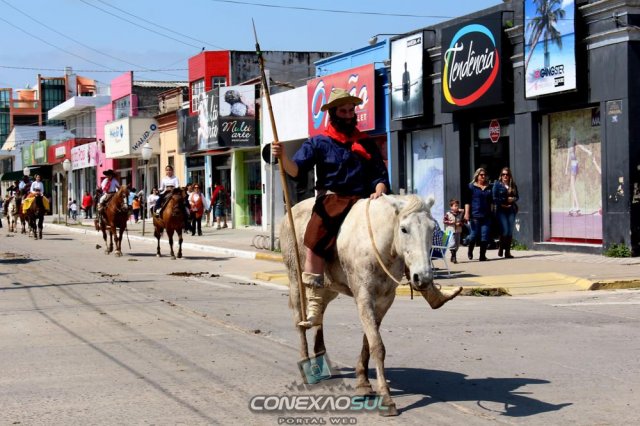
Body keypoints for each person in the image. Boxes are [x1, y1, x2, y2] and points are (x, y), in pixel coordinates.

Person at [272, 87, 390, 328]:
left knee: (399, 229)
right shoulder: (319, 142)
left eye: (351, 110)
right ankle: (314, 305)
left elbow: (379, 175)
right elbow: (296, 170)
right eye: (343, 111)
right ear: (333, 114)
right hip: (332, 200)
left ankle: (422, 282)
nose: (348, 115)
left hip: (364, 201)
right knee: (314, 241)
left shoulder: (365, 141)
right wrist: (282, 157)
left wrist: (380, 189)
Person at [565, 126, 601, 216]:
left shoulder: (574, 141)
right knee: (572, 186)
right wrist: (566, 168)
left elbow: (581, 147)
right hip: (571, 164)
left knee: (572, 186)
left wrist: (588, 152)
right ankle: (573, 206)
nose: (572, 134)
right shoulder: (569, 143)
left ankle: (577, 206)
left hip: (574, 163)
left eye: (573, 132)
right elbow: (568, 156)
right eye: (571, 133)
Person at [464, 168, 493, 262]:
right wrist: (466, 213)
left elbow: (491, 202)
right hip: (475, 215)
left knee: (485, 235)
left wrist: (492, 212)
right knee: (474, 235)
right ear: (477, 176)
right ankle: (470, 250)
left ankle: (482, 256)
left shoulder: (489, 187)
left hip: (486, 215)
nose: (483, 176)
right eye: (481, 175)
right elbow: (467, 201)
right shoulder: (471, 187)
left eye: (484, 175)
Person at [493, 167, 519, 258]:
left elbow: (517, 196)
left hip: (511, 209)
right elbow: (494, 198)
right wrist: (503, 202)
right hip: (501, 210)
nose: (505, 176)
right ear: (501, 175)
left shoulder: (513, 185)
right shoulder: (497, 184)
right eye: (503, 174)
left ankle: (507, 252)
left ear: (509, 175)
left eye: (507, 174)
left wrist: (513, 199)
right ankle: (501, 247)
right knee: (505, 230)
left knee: (510, 231)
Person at [155, 165, 190, 231]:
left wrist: (173, 189)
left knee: (182, 200)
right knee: (159, 200)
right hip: (166, 192)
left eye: (170, 170)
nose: (168, 171)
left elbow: (177, 186)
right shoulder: (164, 179)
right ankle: (158, 211)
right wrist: (159, 190)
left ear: (172, 171)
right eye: (167, 170)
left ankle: (186, 212)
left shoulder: (175, 178)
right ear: (166, 171)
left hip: (174, 192)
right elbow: (162, 187)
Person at [443, 198, 464, 264]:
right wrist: (452, 222)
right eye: (455, 206)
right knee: (452, 243)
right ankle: (454, 257)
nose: (457, 207)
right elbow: (444, 221)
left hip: (458, 231)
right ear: (451, 207)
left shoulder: (460, 214)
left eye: (457, 205)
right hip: (450, 231)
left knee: (457, 245)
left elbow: (463, 221)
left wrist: (460, 223)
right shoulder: (448, 214)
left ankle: (452, 256)